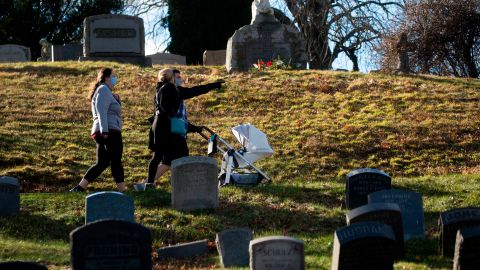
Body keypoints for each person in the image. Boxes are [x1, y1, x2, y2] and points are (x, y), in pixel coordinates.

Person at [143, 68, 223, 187]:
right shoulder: (170, 88)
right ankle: (183, 184)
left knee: (161, 157)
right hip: (169, 128)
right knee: (180, 154)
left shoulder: (160, 89)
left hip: (160, 127)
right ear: (172, 77)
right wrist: (213, 86)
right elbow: (191, 93)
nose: (180, 79)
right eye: (177, 77)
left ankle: (149, 183)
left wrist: (193, 128)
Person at [70, 68, 126, 192]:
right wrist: (104, 130)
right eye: (113, 76)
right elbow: (102, 111)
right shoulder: (103, 89)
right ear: (106, 78)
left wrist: (116, 99)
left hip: (107, 130)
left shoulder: (106, 91)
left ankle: (79, 188)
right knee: (116, 160)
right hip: (109, 131)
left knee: (103, 163)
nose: (115, 78)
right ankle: (123, 190)